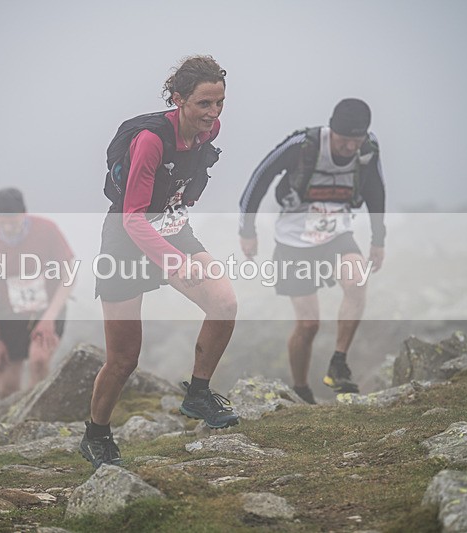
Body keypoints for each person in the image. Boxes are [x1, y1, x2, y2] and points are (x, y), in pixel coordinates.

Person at [81, 55, 239, 469]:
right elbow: (132, 216)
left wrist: (179, 251)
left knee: (224, 303)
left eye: (219, 102)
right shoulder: (151, 140)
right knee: (123, 359)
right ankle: (96, 434)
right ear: (178, 99)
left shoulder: (209, 132)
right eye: (204, 104)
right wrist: (173, 263)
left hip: (172, 227)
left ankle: (198, 395)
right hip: (126, 240)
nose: (213, 113)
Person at [238, 98, 386, 404]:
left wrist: (378, 239)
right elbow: (259, 178)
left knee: (357, 281)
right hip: (294, 240)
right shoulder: (303, 144)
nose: (349, 147)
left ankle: (338, 362)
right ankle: (301, 389)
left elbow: (376, 191)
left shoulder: (369, 148)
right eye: (344, 139)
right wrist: (247, 231)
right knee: (308, 325)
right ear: (332, 129)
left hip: (337, 233)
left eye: (355, 140)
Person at [0, 188, 74, 409]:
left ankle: (33, 420)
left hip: (48, 307)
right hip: (9, 314)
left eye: (14, 221)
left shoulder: (47, 230)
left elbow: (70, 274)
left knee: (39, 360)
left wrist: (49, 317)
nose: (9, 227)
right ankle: (4, 419)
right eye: (3, 222)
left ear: (24, 213)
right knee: (7, 388)